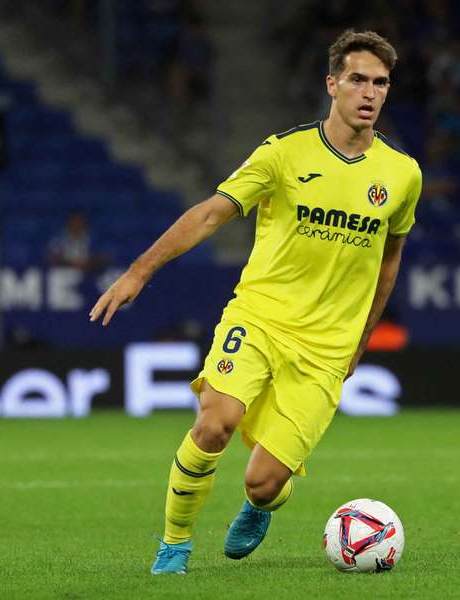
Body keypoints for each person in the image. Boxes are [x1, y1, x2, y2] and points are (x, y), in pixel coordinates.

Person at [90, 29, 420, 575]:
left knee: (262, 482)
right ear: (332, 84)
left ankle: (264, 504)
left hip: (326, 349)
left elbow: (390, 261)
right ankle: (174, 545)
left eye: (380, 82)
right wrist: (138, 272)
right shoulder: (284, 153)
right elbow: (209, 214)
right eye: (358, 79)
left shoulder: (402, 174)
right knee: (215, 422)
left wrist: (360, 342)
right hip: (260, 318)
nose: (370, 92)